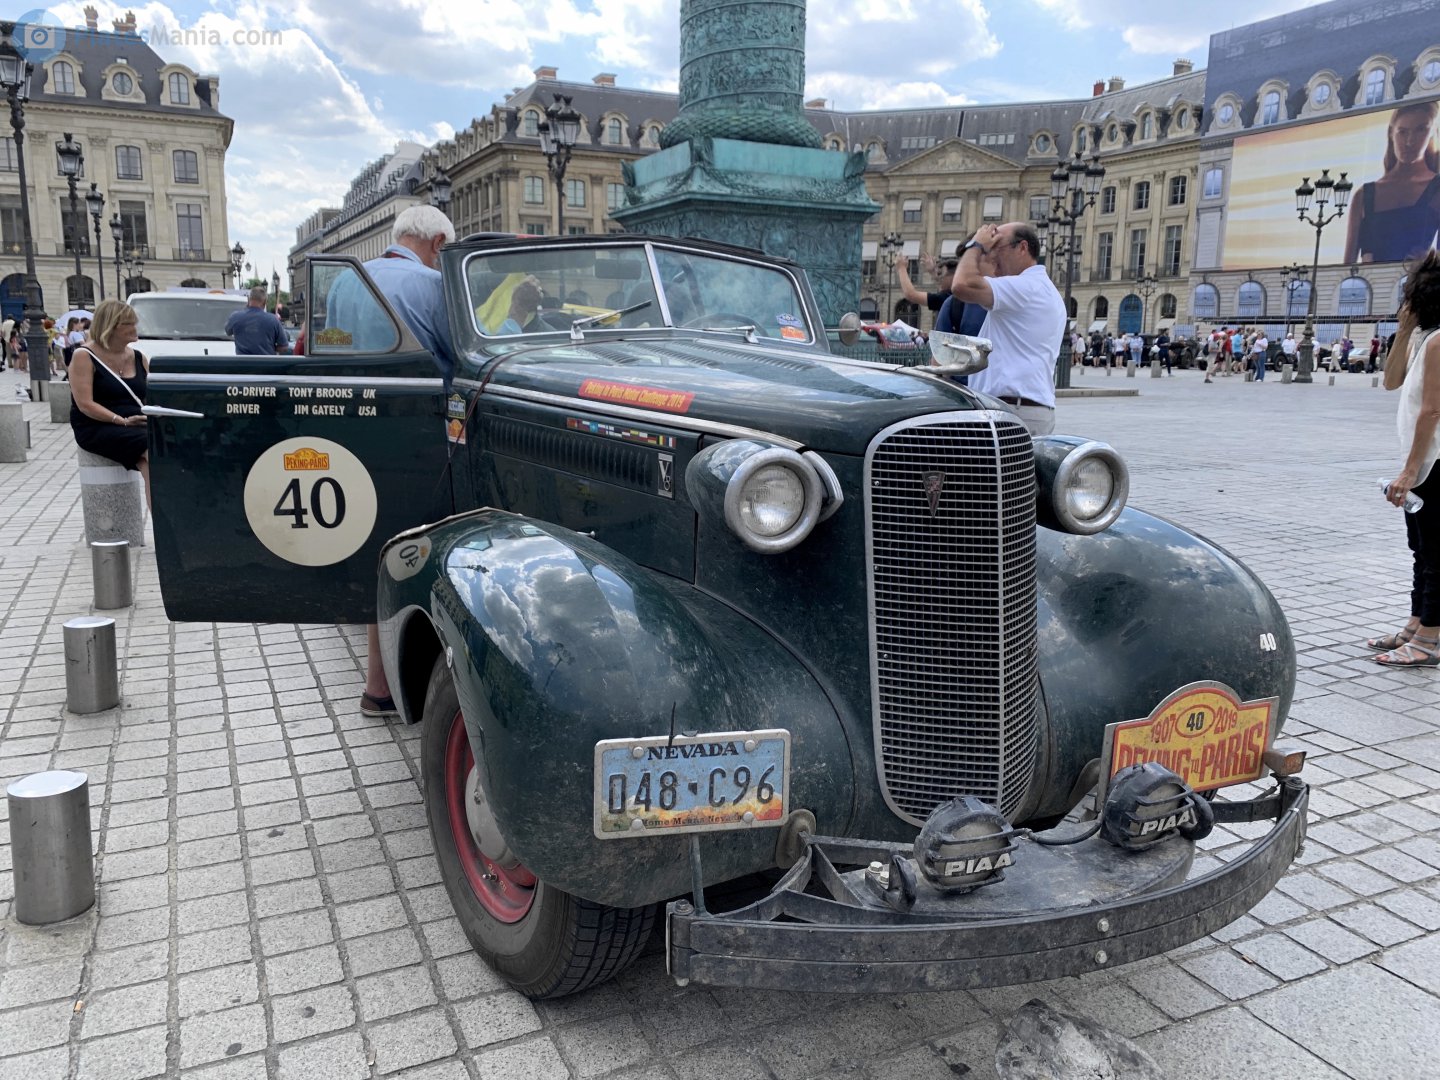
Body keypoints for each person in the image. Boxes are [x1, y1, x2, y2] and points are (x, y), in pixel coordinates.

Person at [330, 204, 458, 718]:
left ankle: (377, 684)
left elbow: (332, 349)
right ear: (437, 244)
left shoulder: (345, 282)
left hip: (357, 428)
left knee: (375, 544)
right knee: (419, 547)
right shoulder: (432, 285)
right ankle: (415, 677)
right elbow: (462, 357)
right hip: (417, 431)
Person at [1368, 250, 1440, 665]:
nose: (1404, 304)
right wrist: (1403, 330)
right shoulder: (1425, 338)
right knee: (1421, 549)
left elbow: (1432, 411)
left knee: (1435, 553)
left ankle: (1429, 639)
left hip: (1434, 462)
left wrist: (1410, 471)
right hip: (1424, 460)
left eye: (1409, 296)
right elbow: (1391, 382)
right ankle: (1416, 623)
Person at [948, 221, 1065, 435]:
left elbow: (961, 284)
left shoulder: (1026, 287)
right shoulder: (1041, 288)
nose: (992, 256)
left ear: (1022, 248)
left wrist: (976, 245)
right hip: (1023, 408)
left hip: (1011, 410)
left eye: (996, 248)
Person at [326, 204, 458, 383]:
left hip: (354, 391)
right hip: (418, 393)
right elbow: (460, 352)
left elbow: (332, 345)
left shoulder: (345, 278)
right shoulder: (435, 283)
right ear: (438, 242)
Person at [68, 298, 151, 507]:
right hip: (97, 424)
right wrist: (121, 420)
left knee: (155, 461)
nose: (135, 328)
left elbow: (151, 396)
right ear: (110, 327)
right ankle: (166, 522)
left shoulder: (139, 357)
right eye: (128, 323)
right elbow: (85, 404)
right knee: (154, 450)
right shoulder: (84, 356)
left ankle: (164, 522)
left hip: (136, 422)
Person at [1343, 100, 1440, 265]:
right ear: (1391, 133)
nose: (1410, 141)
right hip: (1369, 281)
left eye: (1420, 130)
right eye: (1402, 132)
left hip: (1419, 280)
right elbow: (1346, 267)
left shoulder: (1437, 188)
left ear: (1432, 132)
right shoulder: (1364, 195)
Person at [895, 253, 957, 328]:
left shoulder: (947, 298)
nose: (939, 278)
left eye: (941, 274)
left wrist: (901, 268)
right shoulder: (955, 296)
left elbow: (911, 294)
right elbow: (941, 283)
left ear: (953, 277)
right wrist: (932, 271)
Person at [225, 286, 290, 355]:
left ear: (249, 300)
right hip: (266, 361)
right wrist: (270, 348)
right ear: (265, 302)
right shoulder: (273, 320)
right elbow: (284, 347)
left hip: (242, 361)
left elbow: (228, 331)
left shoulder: (235, 317)